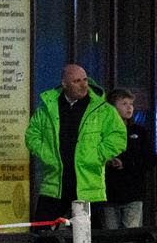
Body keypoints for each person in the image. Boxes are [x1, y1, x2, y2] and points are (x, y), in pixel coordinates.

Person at [25, 64, 128, 226]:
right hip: (55, 183)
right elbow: (32, 135)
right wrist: (48, 155)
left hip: (88, 185)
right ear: (64, 84)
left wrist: (97, 155)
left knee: (92, 237)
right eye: (77, 81)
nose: (83, 84)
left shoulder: (103, 109)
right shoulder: (47, 107)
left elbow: (118, 137)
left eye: (85, 79)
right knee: (41, 233)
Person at [102, 87, 150, 231]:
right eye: (124, 104)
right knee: (111, 235)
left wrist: (127, 164)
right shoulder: (103, 131)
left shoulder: (139, 132)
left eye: (131, 104)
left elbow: (148, 158)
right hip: (109, 193)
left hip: (133, 193)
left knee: (131, 233)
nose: (129, 108)